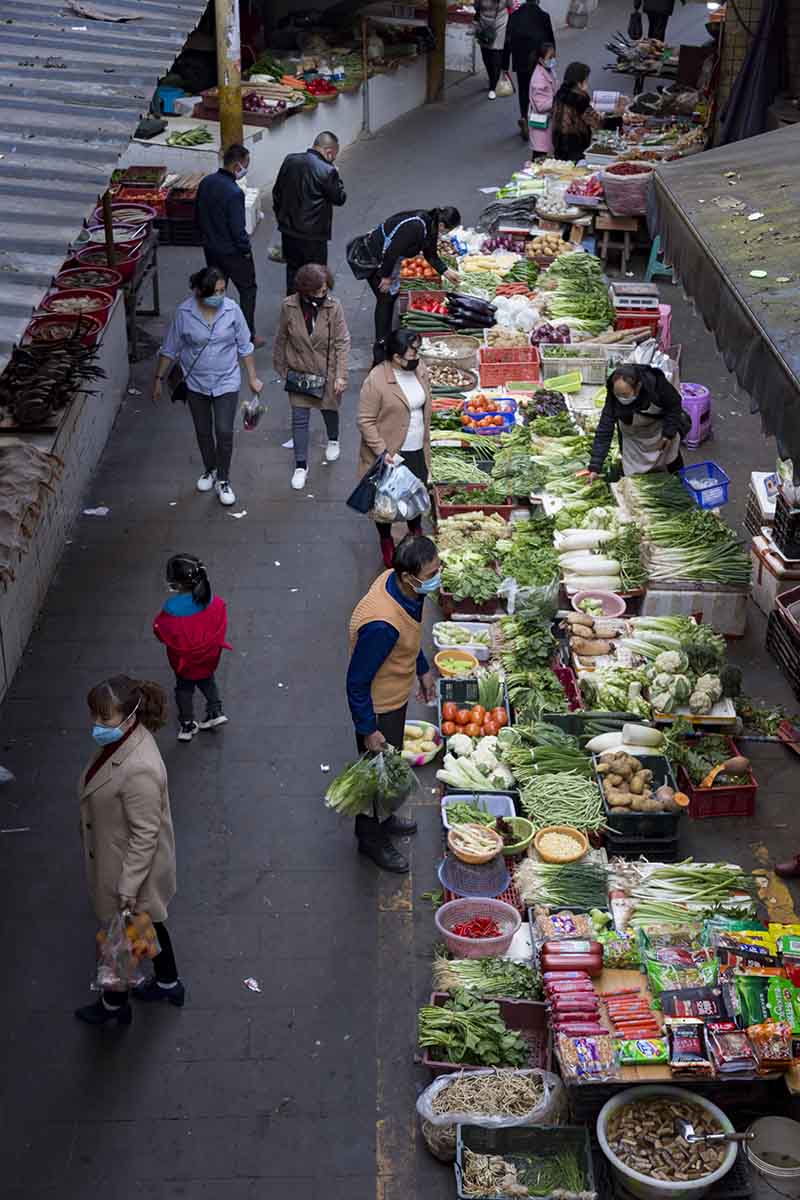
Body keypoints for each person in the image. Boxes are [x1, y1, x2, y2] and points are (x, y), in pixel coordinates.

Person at [75, 676, 183, 1026]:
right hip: (124, 861)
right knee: (147, 922)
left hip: (128, 870)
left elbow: (144, 835)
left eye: (104, 719)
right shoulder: (122, 743)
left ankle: (114, 1006)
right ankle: (168, 982)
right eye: (94, 716)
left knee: (123, 937)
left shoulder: (139, 769)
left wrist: (127, 887)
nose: (97, 726)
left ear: (130, 716)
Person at [346, 534, 439, 872]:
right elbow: (356, 682)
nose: (436, 578)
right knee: (374, 777)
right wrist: (368, 729)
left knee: (388, 769)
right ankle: (370, 840)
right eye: (431, 574)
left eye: (436, 569)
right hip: (379, 707)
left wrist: (423, 668)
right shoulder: (382, 625)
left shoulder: (400, 585)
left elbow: (409, 634)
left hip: (396, 696)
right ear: (407, 576)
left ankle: (383, 821)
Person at [152, 266, 263, 508]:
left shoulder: (232, 311)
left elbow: (245, 346)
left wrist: (253, 377)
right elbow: (170, 349)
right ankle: (210, 469)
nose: (220, 296)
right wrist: (159, 379)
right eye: (215, 292)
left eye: (223, 291)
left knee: (223, 431)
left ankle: (223, 479)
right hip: (196, 382)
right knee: (203, 430)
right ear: (200, 292)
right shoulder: (184, 313)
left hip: (226, 380)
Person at [357, 329, 433, 568]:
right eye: (412, 353)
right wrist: (383, 451)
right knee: (385, 504)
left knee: (416, 493)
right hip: (391, 453)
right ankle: (386, 539)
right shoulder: (377, 380)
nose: (416, 357)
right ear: (396, 357)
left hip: (417, 448)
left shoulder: (419, 370)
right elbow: (365, 420)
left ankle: (415, 531)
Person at [273, 263, 351, 492]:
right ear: (305, 290)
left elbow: (342, 341)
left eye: (325, 290)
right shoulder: (288, 306)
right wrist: (282, 369)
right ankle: (300, 465)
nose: (322, 295)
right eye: (317, 291)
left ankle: (333, 439)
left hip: (327, 371)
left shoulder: (334, 307)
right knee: (299, 419)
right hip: (299, 371)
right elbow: (281, 338)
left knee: (329, 408)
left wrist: (341, 375)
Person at [360, 207, 461, 364]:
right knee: (385, 299)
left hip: (390, 262)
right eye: (448, 229)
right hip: (376, 258)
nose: (446, 233)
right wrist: (385, 277)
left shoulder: (431, 228)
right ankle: (380, 351)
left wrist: (446, 272)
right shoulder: (416, 226)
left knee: (390, 298)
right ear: (442, 224)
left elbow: (430, 254)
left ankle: (387, 342)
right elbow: (392, 251)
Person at [153, 554, 231, 742]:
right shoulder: (213, 601)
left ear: (177, 585)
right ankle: (215, 710)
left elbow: (160, 631)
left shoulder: (171, 608)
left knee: (184, 689)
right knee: (208, 681)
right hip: (209, 657)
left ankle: (187, 724)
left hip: (184, 663)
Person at [195, 143, 264, 347]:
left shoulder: (206, 183)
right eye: (246, 165)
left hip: (211, 249)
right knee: (248, 290)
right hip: (233, 253)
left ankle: (212, 332)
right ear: (237, 165)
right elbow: (238, 229)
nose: (246, 169)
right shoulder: (234, 192)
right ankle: (246, 336)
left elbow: (197, 216)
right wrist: (245, 251)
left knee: (214, 291)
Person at [272, 132, 346, 295]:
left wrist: (282, 218)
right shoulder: (328, 171)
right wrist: (336, 174)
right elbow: (340, 198)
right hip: (313, 236)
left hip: (289, 231)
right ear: (329, 152)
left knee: (292, 271)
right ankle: (312, 311)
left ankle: (292, 311)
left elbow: (277, 192)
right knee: (315, 276)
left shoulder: (290, 160)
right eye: (334, 155)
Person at [584, 364, 685, 480]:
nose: (620, 398)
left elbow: (674, 406)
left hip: (657, 431)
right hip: (632, 436)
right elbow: (604, 428)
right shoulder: (613, 396)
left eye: (625, 395)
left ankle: (679, 481)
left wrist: (668, 433)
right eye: (617, 394)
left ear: (638, 387)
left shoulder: (656, 384)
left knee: (670, 462)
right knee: (634, 474)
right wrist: (595, 467)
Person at [501, 0, 556, 139]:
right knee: (539, 90)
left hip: (520, 60)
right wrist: (552, 60)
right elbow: (550, 40)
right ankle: (537, 121)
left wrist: (504, 63)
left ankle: (524, 117)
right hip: (539, 61)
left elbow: (507, 40)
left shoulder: (514, 16)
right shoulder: (543, 16)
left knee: (524, 90)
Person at [551, 62, 624, 162]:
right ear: (579, 81)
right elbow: (598, 122)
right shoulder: (579, 99)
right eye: (586, 80)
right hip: (574, 146)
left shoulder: (560, 94)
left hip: (558, 144)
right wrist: (618, 117)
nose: (587, 83)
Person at [474, 0, 513, 98]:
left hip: (500, 23)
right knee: (486, 54)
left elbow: (510, 4)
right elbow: (476, 6)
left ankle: (493, 87)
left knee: (496, 53)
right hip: (484, 25)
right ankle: (492, 79)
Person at [528, 43, 558, 157]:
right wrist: (558, 100)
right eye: (550, 57)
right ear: (541, 59)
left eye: (554, 56)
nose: (553, 60)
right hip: (541, 121)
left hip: (548, 120)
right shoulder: (538, 80)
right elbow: (540, 105)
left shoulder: (549, 70)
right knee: (540, 154)